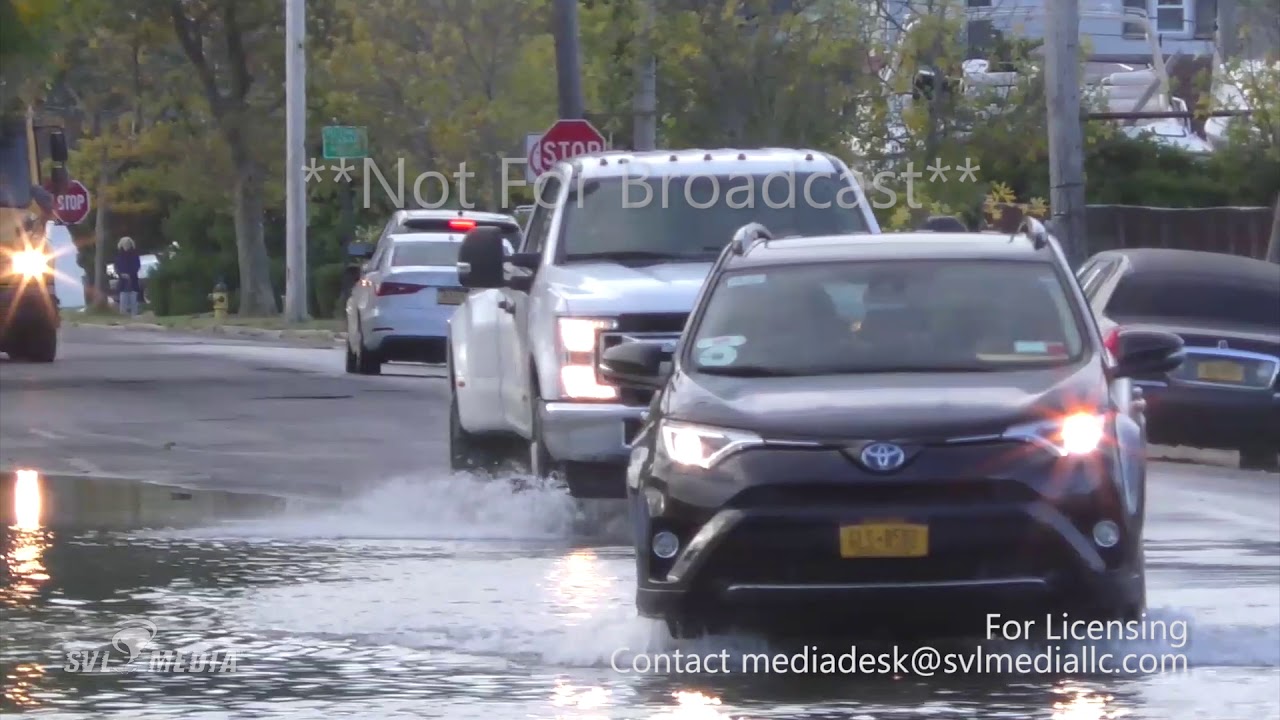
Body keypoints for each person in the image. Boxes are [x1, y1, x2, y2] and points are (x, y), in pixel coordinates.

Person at [115, 236, 142, 316]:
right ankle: (123, 316)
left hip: (133, 279)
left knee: (133, 299)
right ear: (122, 244)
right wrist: (121, 274)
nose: (127, 245)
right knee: (123, 299)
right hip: (123, 281)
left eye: (129, 244)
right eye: (125, 244)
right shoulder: (119, 255)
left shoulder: (134, 254)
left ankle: (134, 316)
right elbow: (116, 267)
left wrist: (130, 274)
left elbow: (137, 266)